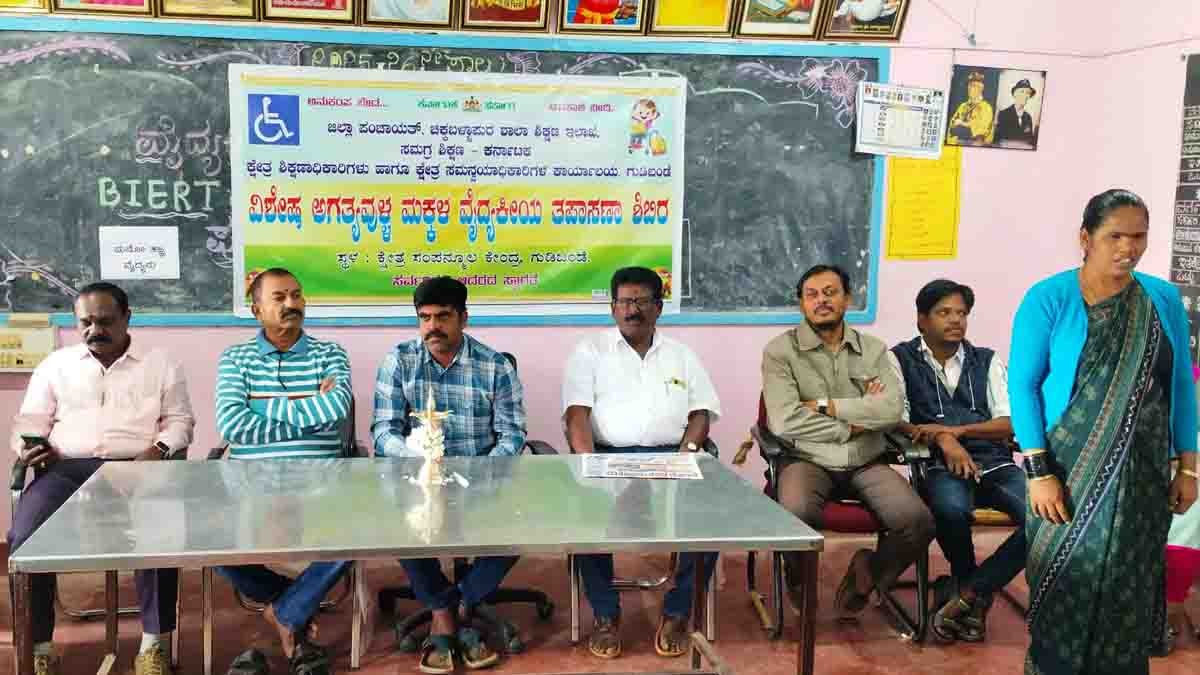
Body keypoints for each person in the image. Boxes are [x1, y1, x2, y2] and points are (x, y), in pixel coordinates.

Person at [1010, 188, 1199, 675]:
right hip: (1066, 477)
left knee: (1128, 591)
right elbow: (1023, 386)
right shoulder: (1048, 298)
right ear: (1085, 238)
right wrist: (1038, 471)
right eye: (1115, 235)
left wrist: (1189, 465)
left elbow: (1180, 386)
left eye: (1138, 237)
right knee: (1064, 582)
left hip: (1143, 477)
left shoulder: (1161, 299)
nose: (1128, 248)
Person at [8, 282, 195, 675]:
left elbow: (180, 421)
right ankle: (39, 644)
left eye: (105, 321)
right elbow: (28, 422)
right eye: (86, 323)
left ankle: (153, 645)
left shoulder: (160, 363)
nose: (95, 330)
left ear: (127, 318)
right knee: (26, 539)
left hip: (136, 466)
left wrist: (157, 451)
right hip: (65, 470)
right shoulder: (56, 365)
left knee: (160, 531)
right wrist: (26, 447)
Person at [562, 266, 722, 659]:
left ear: (659, 307)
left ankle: (678, 613)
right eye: (625, 301)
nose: (633, 309)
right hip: (608, 456)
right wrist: (590, 465)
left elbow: (701, 412)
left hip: (672, 457)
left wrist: (685, 456)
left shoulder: (682, 355)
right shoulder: (589, 351)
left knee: (716, 517)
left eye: (642, 301)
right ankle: (604, 615)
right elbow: (576, 415)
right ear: (613, 307)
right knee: (583, 514)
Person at [372, 275, 526, 673]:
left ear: (464, 318)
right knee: (400, 521)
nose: (432, 327)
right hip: (417, 478)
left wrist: (486, 471)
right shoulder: (399, 361)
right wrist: (411, 453)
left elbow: (512, 433)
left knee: (524, 525)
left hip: (481, 476)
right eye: (424, 318)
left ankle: (453, 604)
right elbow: (383, 431)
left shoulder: (495, 367)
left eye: (443, 316)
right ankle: (448, 613)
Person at [761, 264, 933, 618]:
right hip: (806, 459)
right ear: (801, 304)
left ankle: (867, 575)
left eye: (830, 292)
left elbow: (890, 409)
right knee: (795, 515)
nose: (821, 300)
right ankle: (796, 577)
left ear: (847, 299)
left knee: (917, 520)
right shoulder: (780, 352)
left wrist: (827, 407)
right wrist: (853, 424)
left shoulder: (873, 349)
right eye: (812, 295)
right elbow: (783, 419)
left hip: (867, 459)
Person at [214, 268, 353, 675]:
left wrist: (261, 404)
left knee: (355, 538)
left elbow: (336, 410)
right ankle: (292, 607)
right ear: (257, 308)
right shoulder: (235, 357)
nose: (292, 303)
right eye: (279, 297)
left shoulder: (330, 353)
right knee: (210, 545)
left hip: (321, 482)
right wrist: (307, 404)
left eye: (296, 295)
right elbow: (232, 425)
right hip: (249, 485)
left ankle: (285, 614)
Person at [888, 279, 1024, 643]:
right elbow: (896, 417)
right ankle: (969, 589)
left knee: (1047, 518)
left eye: (961, 313)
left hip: (994, 462)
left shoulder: (987, 360)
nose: (955, 320)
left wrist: (957, 433)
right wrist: (943, 440)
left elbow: (1009, 421)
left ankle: (970, 593)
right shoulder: (899, 358)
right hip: (936, 464)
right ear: (921, 320)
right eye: (944, 312)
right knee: (949, 510)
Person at [947, 71, 995, 145]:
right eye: (969, 85)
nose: (970, 88)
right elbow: (952, 127)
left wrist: (962, 124)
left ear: (981, 88)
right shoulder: (963, 106)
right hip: (957, 143)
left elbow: (980, 129)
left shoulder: (986, 107)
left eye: (974, 85)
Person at [994, 78, 1038, 146]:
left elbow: (1030, 141)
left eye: (1028, 93)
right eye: (1022, 91)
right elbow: (998, 141)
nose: (1025, 95)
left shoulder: (1028, 117)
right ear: (1015, 94)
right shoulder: (1004, 114)